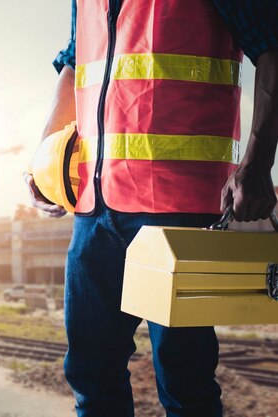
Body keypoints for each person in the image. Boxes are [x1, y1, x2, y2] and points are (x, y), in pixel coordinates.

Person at [24, 1, 278, 416]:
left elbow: (272, 46)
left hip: (178, 207)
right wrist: (43, 162)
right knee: (90, 373)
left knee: (184, 380)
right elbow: (74, 62)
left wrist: (257, 163)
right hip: (95, 208)